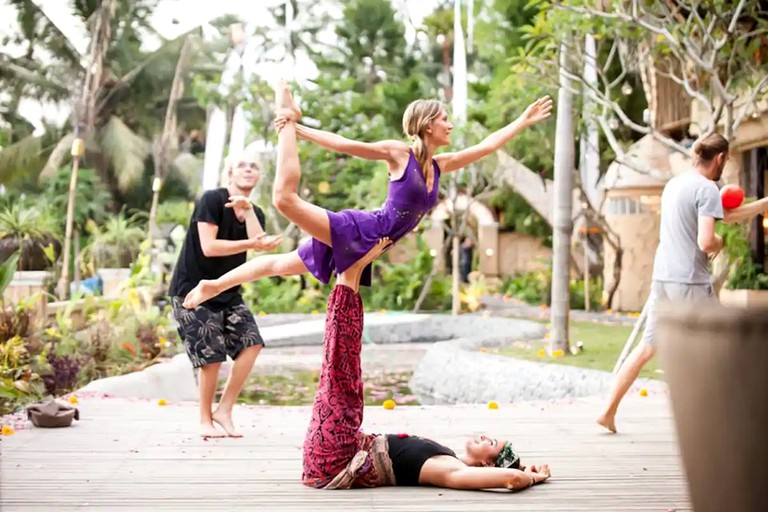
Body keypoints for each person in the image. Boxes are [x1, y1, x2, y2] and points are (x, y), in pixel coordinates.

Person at [181, 82, 553, 308]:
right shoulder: (399, 154)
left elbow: (485, 147)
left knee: (283, 264)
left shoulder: (440, 165)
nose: (450, 125)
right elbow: (347, 144)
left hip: (372, 244)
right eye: (444, 119)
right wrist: (300, 130)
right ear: (426, 124)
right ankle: (286, 122)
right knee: (283, 201)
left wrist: (522, 121)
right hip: (361, 230)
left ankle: (214, 284)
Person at [303, 238, 552, 491]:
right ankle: (353, 264)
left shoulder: (451, 470)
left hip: (336, 455)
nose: (485, 436)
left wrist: (530, 477)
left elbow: (512, 479)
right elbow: (513, 473)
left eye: (492, 443)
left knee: (341, 364)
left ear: (489, 466)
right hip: (340, 446)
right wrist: (522, 467)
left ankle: (353, 263)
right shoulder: (450, 459)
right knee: (344, 363)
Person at [597, 133, 768, 434]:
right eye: (724, 162)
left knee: (648, 347)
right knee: (725, 342)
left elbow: (723, 216)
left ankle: (607, 411)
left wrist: (762, 204)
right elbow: (706, 238)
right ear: (720, 159)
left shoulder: (675, 184)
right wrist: (718, 243)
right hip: (690, 280)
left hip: (663, 276)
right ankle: (737, 420)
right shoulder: (706, 189)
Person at [168, 152, 282, 438]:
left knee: (252, 343)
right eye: (241, 165)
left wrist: (250, 214)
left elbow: (259, 244)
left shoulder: (255, 211)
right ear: (230, 172)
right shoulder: (212, 200)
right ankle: (204, 419)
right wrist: (252, 242)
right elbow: (209, 246)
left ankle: (225, 409)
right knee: (211, 356)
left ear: (259, 176)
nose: (248, 169)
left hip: (228, 290)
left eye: (254, 166)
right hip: (193, 288)